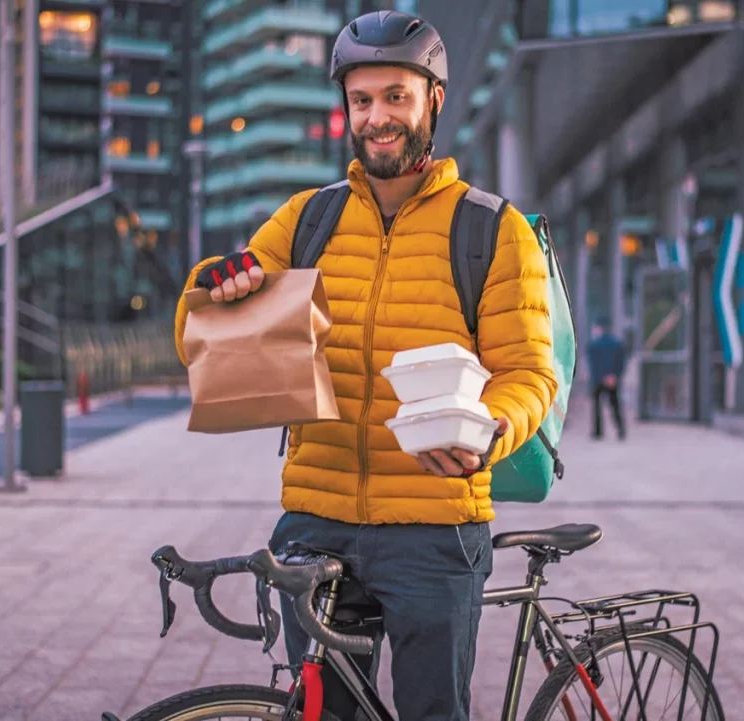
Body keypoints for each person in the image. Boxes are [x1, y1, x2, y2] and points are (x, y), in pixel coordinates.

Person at [172, 11, 557, 720]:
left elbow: (530, 372)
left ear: (433, 99)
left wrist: (490, 430)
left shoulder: (491, 229)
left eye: (395, 97)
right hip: (314, 521)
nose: (377, 117)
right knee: (322, 712)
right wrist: (213, 286)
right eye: (361, 100)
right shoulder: (306, 219)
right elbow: (208, 338)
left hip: (435, 527)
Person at [586, 320, 626, 440]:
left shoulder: (594, 345)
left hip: (598, 379)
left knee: (597, 406)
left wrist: (600, 377)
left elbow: (593, 364)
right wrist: (614, 376)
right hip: (612, 379)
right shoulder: (617, 344)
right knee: (615, 405)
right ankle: (620, 430)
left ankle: (598, 431)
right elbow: (621, 363)